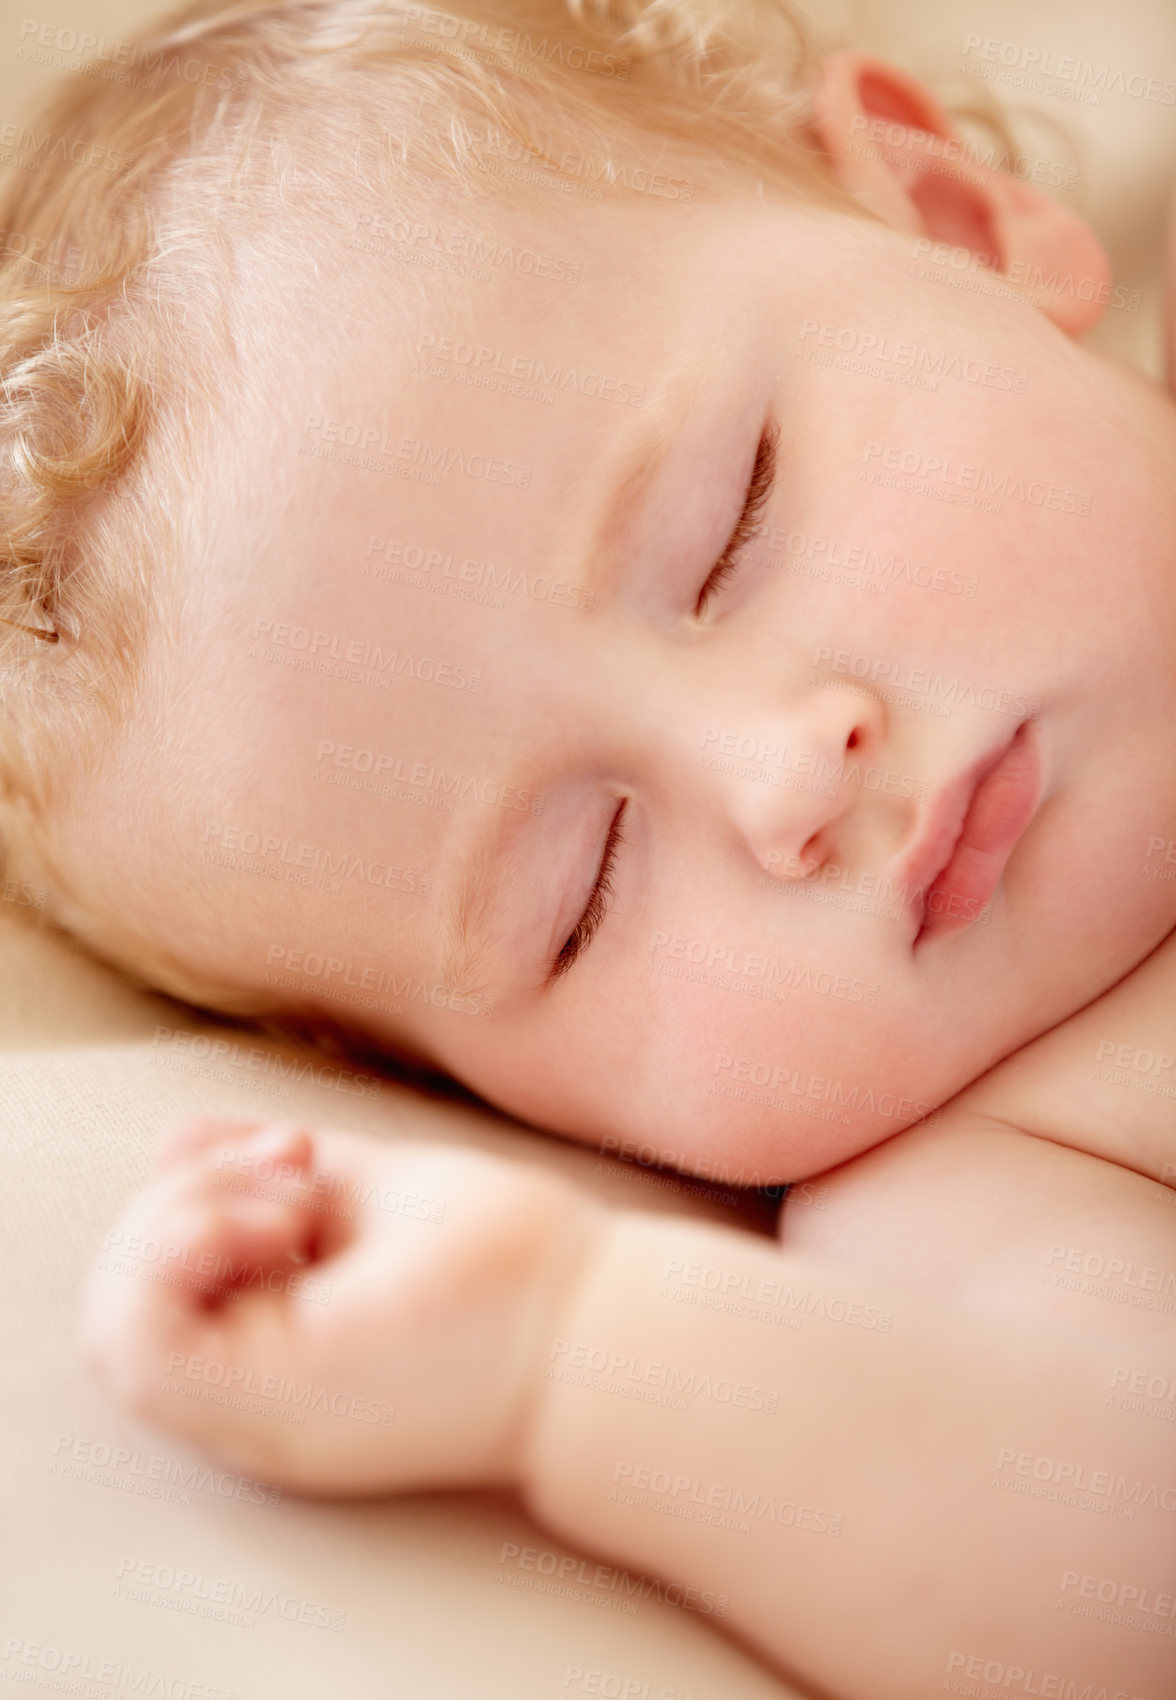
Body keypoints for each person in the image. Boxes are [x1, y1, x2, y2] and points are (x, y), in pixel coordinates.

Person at [0, 2, 1171, 1694]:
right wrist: (561, 1352)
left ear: (951, 217)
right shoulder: (1006, 1178)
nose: (781, 779)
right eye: (584, 901)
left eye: (732, 528)